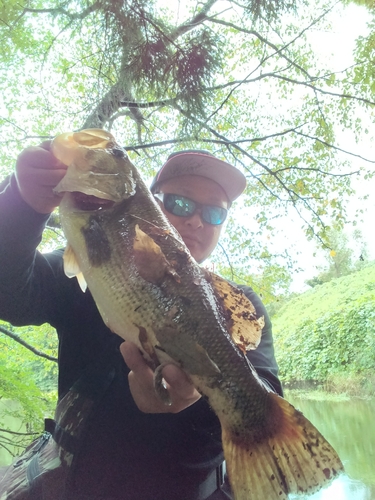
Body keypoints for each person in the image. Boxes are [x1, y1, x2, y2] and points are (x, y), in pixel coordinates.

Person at [0, 143, 283, 500]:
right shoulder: (89, 267)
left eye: (214, 213)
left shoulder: (239, 307)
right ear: (154, 204)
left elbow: (266, 394)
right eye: (180, 203)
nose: (196, 220)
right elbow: (10, 295)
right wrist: (21, 206)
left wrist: (195, 402)